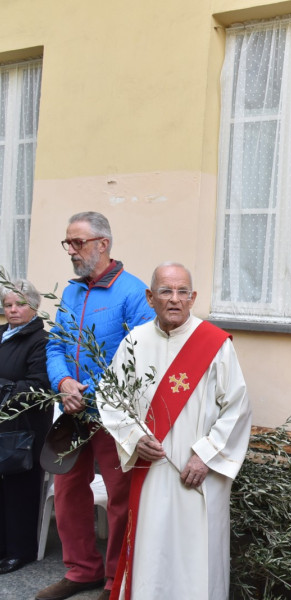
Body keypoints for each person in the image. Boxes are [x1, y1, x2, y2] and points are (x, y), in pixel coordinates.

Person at [97, 262, 252, 600]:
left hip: (200, 476)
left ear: (193, 297)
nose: (175, 299)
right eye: (166, 291)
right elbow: (110, 397)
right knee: (151, 552)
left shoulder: (214, 343)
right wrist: (135, 437)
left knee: (197, 557)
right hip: (151, 471)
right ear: (150, 297)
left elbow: (237, 408)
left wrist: (207, 456)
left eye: (183, 292)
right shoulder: (135, 342)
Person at [38, 212, 155, 600]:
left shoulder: (135, 293)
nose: (71, 251)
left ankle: (114, 577)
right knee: (68, 490)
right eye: (68, 243)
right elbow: (55, 345)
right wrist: (63, 382)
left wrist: (97, 393)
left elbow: (144, 357)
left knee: (121, 496)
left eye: (78, 243)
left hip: (114, 415)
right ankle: (81, 570)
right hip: (71, 414)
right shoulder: (71, 292)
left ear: (103, 244)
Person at [0, 279, 52, 574]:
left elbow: (38, 385)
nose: (13, 310)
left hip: (24, 427)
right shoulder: (2, 335)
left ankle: (21, 551)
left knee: (21, 487)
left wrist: (4, 389)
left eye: (20, 304)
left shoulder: (40, 341)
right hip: (2, 424)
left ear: (34, 306)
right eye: (8, 305)